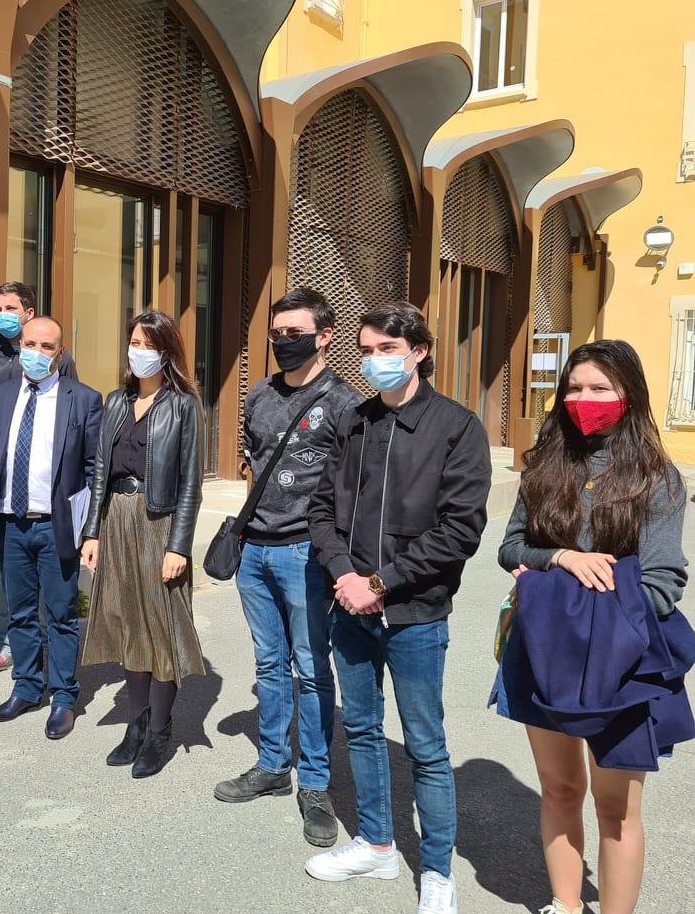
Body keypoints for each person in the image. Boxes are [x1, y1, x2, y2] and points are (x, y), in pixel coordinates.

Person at [306, 301, 491, 914]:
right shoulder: (352, 421)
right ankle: (378, 843)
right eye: (366, 350)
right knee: (359, 728)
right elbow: (322, 513)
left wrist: (379, 583)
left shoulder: (457, 427)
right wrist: (343, 576)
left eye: (387, 349)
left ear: (419, 351)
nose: (374, 361)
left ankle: (437, 870)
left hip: (414, 613)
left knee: (425, 744)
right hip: (350, 610)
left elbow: (460, 530)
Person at [494, 340, 689, 914]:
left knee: (616, 809)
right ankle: (565, 904)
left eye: (599, 388)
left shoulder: (658, 480)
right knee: (560, 790)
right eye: (575, 388)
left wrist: (551, 588)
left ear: (627, 395)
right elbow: (510, 549)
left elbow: (659, 587)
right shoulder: (543, 467)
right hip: (543, 652)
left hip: (620, 662)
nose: (585, 399)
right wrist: (562, 559)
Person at [213, 288, 361, 845]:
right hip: (255, 550)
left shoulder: (345, 402)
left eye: (294, 333)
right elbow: (255, 464)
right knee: (269, 663)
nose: (283, 342)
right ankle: (274, 767)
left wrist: (339, 559)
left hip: (306, 553)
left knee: (310, 667)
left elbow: (353, 487)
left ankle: (317, 784)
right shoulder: (258, 396)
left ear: (324, 336)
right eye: (276, 334)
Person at [79, 310, 204, 777]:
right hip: (117, 517)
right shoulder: (115, 401)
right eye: (134, 341)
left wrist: (180, 545)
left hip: (159, 521)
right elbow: (97, 474)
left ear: (166, 352)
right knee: (128, 622)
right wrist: (91, 532)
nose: (139, 351)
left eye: (149, 344)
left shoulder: (183, 405)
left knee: (161, 626)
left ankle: (160, 731)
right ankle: (136, 724)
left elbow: (191, 483)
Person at [0, 316, 102, 740]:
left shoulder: (83, 399)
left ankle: (64, 695)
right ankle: (27, 687)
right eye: (30, 344)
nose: (36, 352)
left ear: (60, 354)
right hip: (10, 524)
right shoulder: (1, 393)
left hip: (57, 527)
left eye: (47, 346)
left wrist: (89, 530)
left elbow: (92, 470)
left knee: (62, 614)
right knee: (21, 613)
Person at [0, 281, 79, 678]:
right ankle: (8, 653)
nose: (2, 314)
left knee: (56, 597)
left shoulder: (58, 360)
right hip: (7, 502)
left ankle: (57, 670)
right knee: (9, 587)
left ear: (28, 312)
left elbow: (73, 425)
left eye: (10, 307)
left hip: (49, 502)